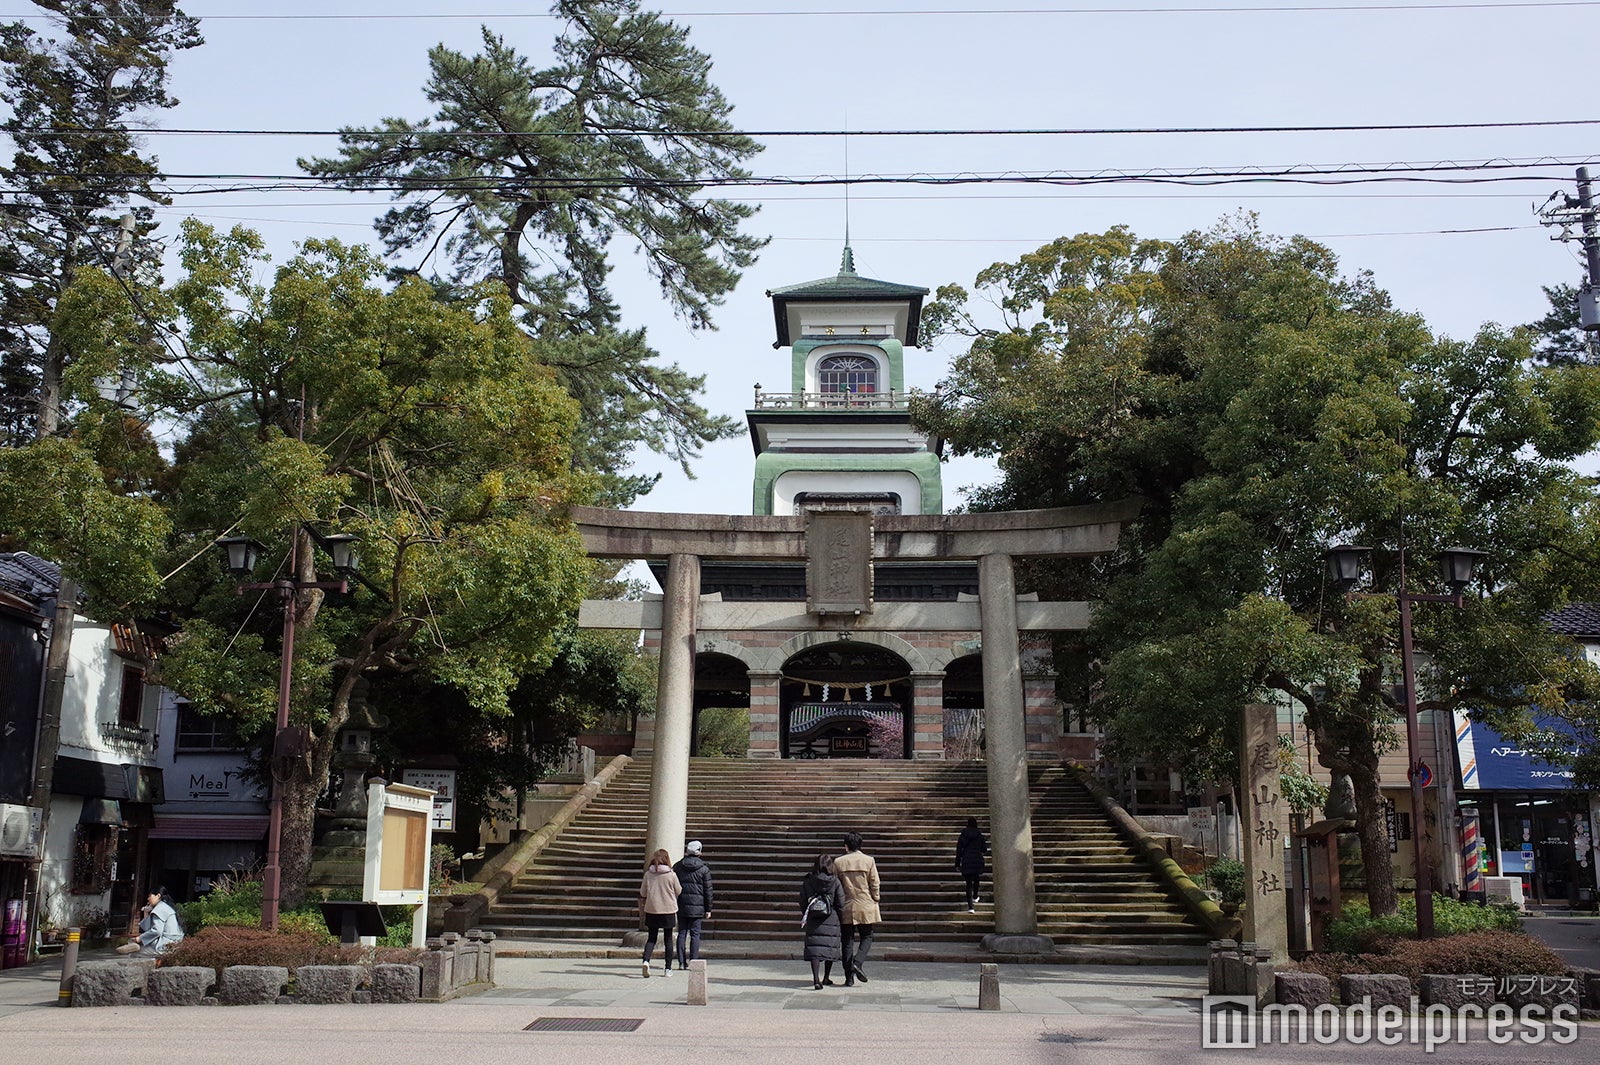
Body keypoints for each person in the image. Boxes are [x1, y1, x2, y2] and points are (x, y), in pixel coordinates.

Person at [833, 830, 880, 986]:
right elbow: (874, 882)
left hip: (846, 904)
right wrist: (876, 897)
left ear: (846, 846)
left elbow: (835, 885)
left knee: (847, 940)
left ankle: (849, 977)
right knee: (867, 936)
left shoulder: (838, 862)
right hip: (865, 903)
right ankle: (858, 963)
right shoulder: (869, 860)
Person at [798, 853, 846, 990]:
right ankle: (826, 977)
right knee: (829, 947)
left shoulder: (808, 880)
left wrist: (806, 913)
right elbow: (841, 902)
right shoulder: (835, 881)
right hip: (831, 917)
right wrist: (841, 918)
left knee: (815, 949)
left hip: (814, 918)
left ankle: (816, 979)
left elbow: (802, 899)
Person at [638, 848, 682, 977]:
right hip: (668, 909)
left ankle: (646, 960)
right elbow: (678, 890)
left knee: (651, 938)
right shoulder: (671, 875)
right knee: (668, 939)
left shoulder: (648, 874)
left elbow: (643, 893)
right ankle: (668, 968)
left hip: (652, 909)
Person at [673, 839, 713, 966]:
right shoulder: (703, 869)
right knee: (695, 934)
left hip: (682, 903)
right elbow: (708, 890)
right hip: (698, 906)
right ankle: (693, 960)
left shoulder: (678, 866)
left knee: (682, 933)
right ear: (699, 852)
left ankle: (681, 961)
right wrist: (708, 909)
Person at [115, 888, 184, 956]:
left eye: (149, 896)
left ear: (158, 896)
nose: (148, 899)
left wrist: (140, 938)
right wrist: (146, 913)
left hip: (163, 945)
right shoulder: (166, 907)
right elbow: (148, 929)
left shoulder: (159, 909)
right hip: (173, 943)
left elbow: (157, 931)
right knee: (141, 946)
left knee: (134, 954)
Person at [956, 817, 988, 913]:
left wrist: (957, 863)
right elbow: (984, 849)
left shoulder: (963, 835)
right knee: (976, 877)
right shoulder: (979, 835)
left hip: (967, 860)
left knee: (968, 884)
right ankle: (975, 895)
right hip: (977, 859)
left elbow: (958, 850)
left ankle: (971, 907)